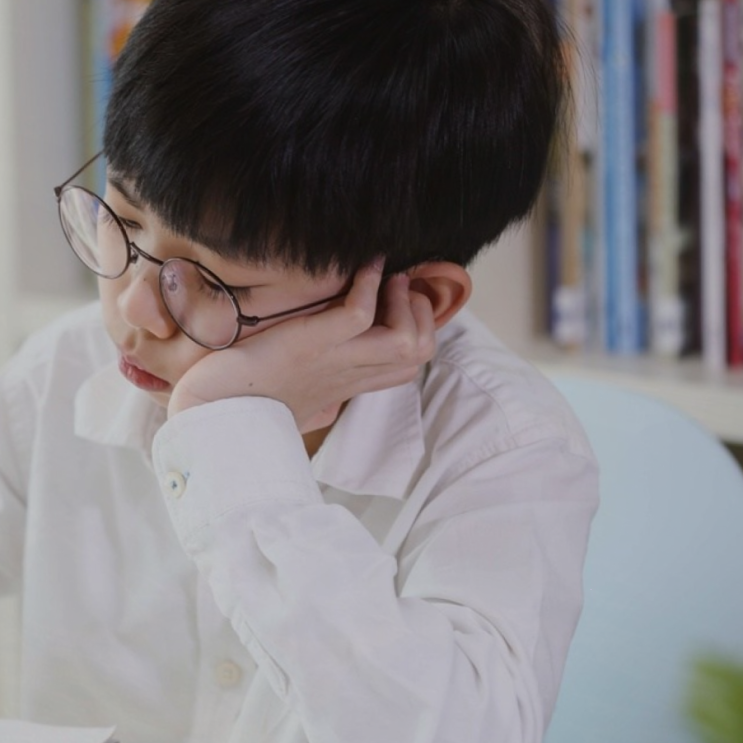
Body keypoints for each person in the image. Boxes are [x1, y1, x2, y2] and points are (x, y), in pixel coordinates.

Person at [0, 0, 598, 741]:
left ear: (413, 297)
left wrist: (227, 438)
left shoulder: (504, 452)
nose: (136, 308)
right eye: (121, 221)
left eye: (213, 283)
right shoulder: (64, 370)